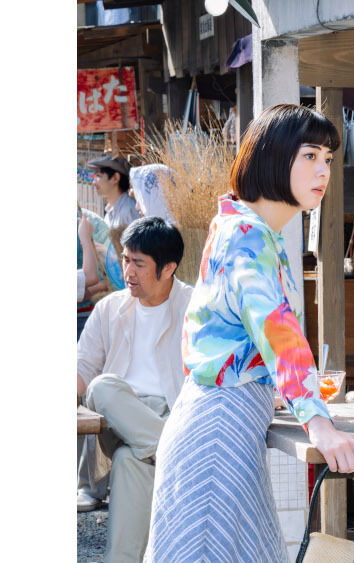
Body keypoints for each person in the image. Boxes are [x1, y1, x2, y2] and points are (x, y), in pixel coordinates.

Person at [146, 104, 354, 561]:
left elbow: (213, 335)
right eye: (309, 155)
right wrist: (318, 423)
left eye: (328, 159)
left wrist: (265, 388)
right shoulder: (248, 235)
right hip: (219, 432)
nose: (323, 170)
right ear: (273, 156)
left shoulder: (238, 226)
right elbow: (278, 332)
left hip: (214, 422)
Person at [76, 216, 192, 561]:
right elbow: (81, 373)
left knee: (129, 460)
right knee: (102, 386)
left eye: (139, 264)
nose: (128, 271)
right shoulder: (109, 308)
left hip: (171, 417)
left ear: (168, 268)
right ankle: (176, 456)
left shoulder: (194, 307)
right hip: (117, 417)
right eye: (126, 260)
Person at [87, 154, 140, 231]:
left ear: (115, 178)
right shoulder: (110, 212)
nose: (93, 182)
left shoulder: (129, 210)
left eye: (98, 176)